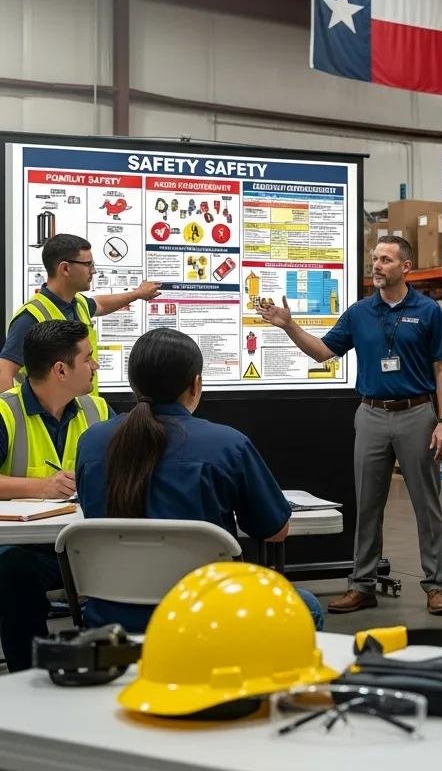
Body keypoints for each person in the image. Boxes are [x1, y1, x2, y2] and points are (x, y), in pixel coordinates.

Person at [75, 328, 324, 632]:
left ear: (133, 384)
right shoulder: (227, 445)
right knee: (307, 606)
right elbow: (276, 531)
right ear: (195, 384)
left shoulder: (91, 443)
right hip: (210, 617)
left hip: (111, 620)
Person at [260, 235, 442, 616]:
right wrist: (289, 326)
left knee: (426, 504)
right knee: (367, 504)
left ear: (405, 267)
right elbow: (323, 351)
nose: (377, 266)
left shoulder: (428, 311)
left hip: (417, 413)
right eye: (375, 260)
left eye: (385, 259)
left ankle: (436, 586)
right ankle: (362, 584)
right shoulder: (359, 312)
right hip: (371, 414)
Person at [0, 320, 110, 671]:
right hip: (30, 548)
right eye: (88, 358)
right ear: (61, 370)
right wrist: (40, 486)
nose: (95, 366)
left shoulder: (98, 410)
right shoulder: (6, 412)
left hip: (86, 545)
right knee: (13, 569)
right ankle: (27, 676)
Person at [0, 233, 161, 394]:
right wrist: (16, 417)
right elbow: (4, 373)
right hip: (49, 417)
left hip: (81, 413)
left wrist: (137, 294)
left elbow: (101, 304)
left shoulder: (78, 303)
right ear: (65, 268)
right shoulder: (31, 317)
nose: (94, 271)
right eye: (88, 264)